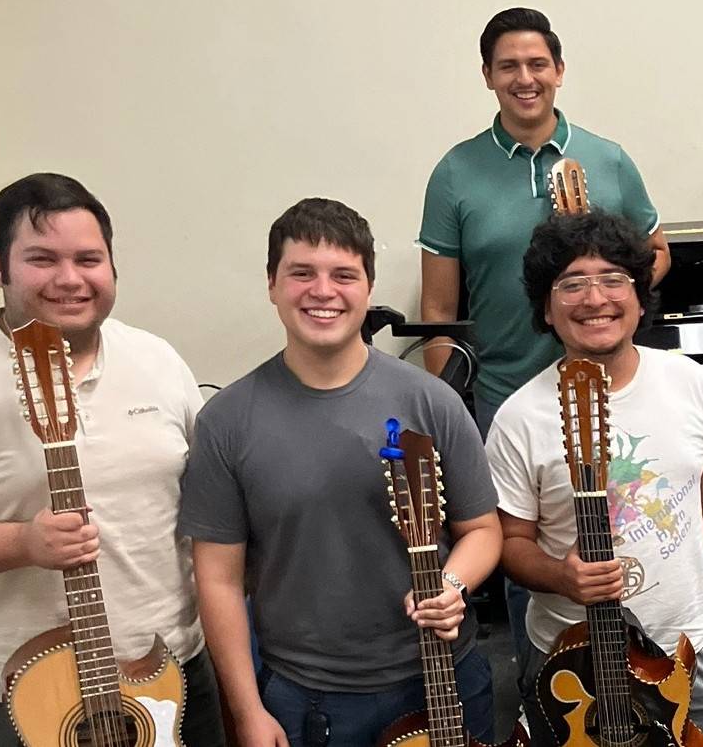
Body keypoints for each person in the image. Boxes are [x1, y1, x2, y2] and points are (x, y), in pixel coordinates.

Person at [180, 198, 503, 746]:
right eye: (301, 273)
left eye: (343, 275)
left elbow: (483, 530)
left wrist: (452, 585)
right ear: (272, 284)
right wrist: (248, 712)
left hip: (445, 682)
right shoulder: (227, 421)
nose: (323, 291)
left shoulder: (432, 402)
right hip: (306, 700)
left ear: (368, 288)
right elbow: (217, 580)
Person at [417, 6, 670, 680]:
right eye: (508, 67)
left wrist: (602, 276)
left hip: (611, 396)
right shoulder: (455, 173)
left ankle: (645, 696)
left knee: (633, 546)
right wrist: (452, 412)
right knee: (533, 572)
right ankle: (549, 703)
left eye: (537, 64)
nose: (524, 78)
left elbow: (656, 251)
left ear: (558, 70)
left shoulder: (608, 159)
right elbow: (439, 309)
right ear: (487, 77)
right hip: (506, 402)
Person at [0, 173, 225, 744]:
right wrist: (21, 544)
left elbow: (208, 504)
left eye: (89, 258)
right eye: (42, 258)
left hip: (170, 672)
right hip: (16, 698)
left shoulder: (157, 360)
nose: (70, 279)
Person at [486, 211, 703, 746]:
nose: (595, 298)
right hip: (573, 661)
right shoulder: (519, 417)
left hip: (691, 645)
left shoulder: (688, 380)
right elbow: (510, 543)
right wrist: (562, 576)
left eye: (613, 279)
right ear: (547, 310)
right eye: (572, 283)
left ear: (640, 297)